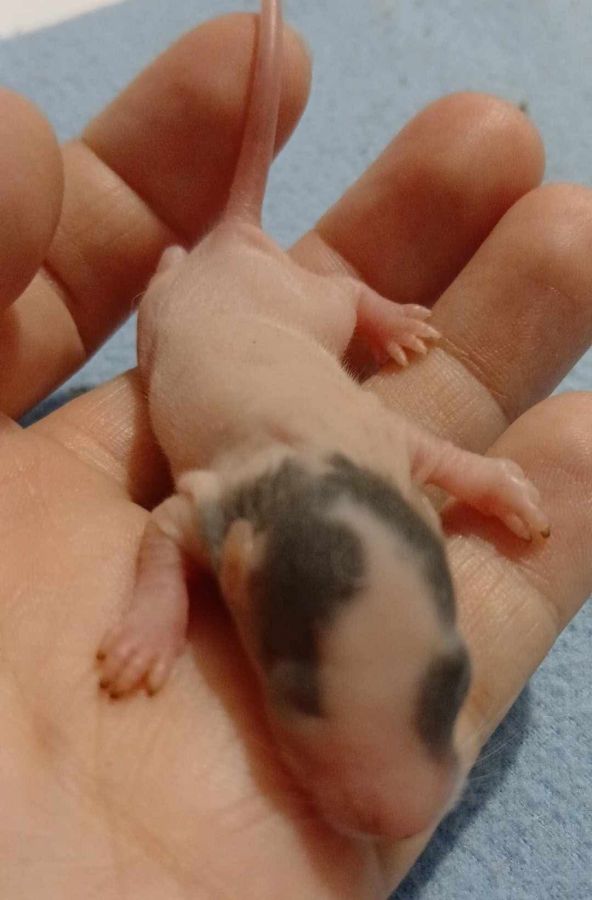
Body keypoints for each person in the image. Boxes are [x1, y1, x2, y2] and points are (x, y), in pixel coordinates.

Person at [1, 10, 590, 899]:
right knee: (209, 312)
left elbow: (411, 449)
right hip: (205, 306)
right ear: (238, 571)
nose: (401, 803)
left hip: (248, 311)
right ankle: (176, 270)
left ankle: (202, 271)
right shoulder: (233, 514)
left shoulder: (366, 462)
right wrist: (157, 610)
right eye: (312, 703)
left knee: (301, 310)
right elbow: (173, 521)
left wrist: (479, 477)